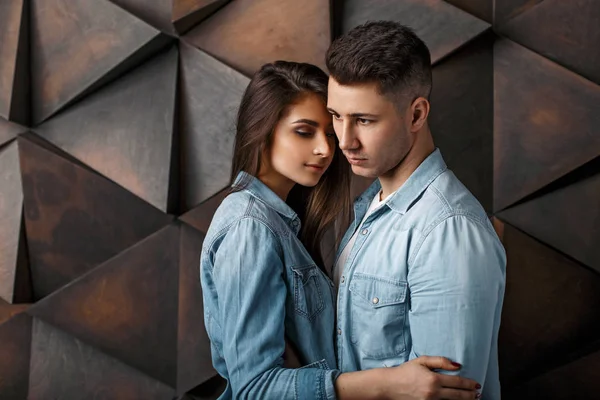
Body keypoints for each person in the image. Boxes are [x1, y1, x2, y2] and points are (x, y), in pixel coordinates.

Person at [200, 60, 481, 399]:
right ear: (262, 130)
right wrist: (388, 384)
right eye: (304, 132)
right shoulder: (250, 228)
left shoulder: (282, 222)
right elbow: (255, 389)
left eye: (329, 134)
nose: (326, 149)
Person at [325, 21, 506, 400]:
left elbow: (446, 394)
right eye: (336, 116)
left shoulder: (447, 232)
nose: (344, 140)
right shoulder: (372, 206)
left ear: (416, 115)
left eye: (364, 120)